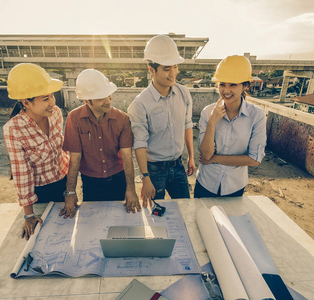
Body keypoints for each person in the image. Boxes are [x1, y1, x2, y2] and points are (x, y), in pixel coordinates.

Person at [60, 69, 140, 218]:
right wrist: (70, 192)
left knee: (122, 222)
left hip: (118, 179)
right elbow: (75, 159)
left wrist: (131, 189)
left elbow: (127, 156)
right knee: (93, 224)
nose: (108, 101)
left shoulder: (122, 119)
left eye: (108, 95)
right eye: (100, 98)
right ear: (86, 100)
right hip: (91, 184)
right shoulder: (74, 119)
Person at [3, 63, 70, 240]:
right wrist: (29, 215)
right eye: (45, 98)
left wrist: (70, 191)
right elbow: (22, 172)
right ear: (26, 102)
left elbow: (62, 150)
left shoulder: (55, 113)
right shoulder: (14, 129)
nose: (53, 103)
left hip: (63, 181)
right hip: (39, 192)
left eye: (52, 96)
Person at [127, 35, 195, 206]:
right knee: (154, 215)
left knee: (185, 210)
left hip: (178, 166)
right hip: (154, 171)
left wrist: (191, 157)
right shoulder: (140, 105)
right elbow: (140, 143)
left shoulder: (183, 93)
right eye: (166, 69)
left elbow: (187, 125)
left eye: (175, 67)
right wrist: (145, 177)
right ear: (151, 70)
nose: (173, 74)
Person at [195, 55, 266, 198]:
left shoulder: (256, 116)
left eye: (233, 84)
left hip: (234, 187)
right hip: (205, 183)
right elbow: (206, 155)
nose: (226, 91)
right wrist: (212, 122)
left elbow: (254, 159)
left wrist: (215, 159)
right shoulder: (208, 112)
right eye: (222, 84)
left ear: (245, 86)